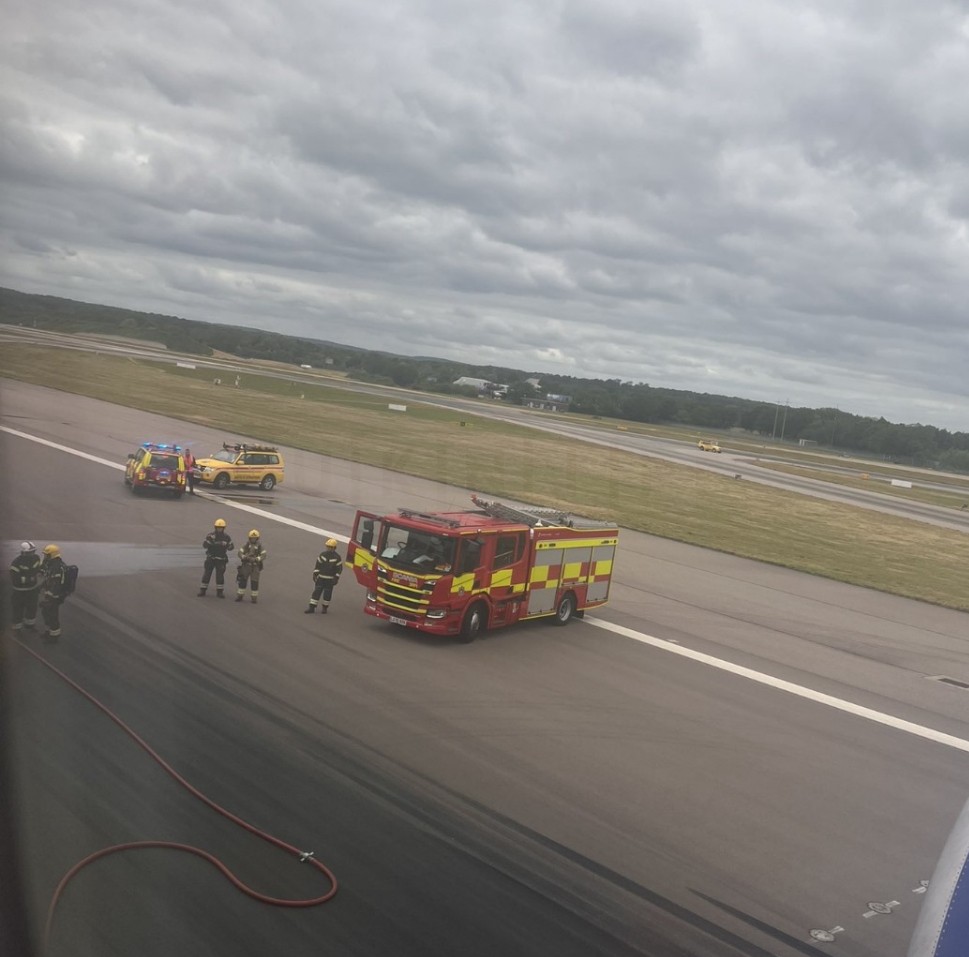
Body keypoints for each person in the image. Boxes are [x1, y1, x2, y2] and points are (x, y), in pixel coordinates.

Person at [9, 541, 43, 631]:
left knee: (32, 607)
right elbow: (15, 579)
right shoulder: (16, 563)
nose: (32, 554)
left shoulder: (36, 558)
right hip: (19, 591)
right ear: (24, 552)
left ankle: (30, 625)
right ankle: (17, 627)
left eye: (33, 551)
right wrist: (30, 579)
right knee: (18, 609)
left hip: (32, 589)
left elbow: (39, 569)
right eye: (29, 552)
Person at [304, 538, 343, 614]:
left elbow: (339, 569)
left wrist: (336, 577)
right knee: (316, 592)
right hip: (321, 578)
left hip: (330, 579)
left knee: (327, 594)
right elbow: (318, 565)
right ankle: (312, 607)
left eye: (330, 547)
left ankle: (324, 608)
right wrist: (315, 574)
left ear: (334, 548)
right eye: (328, 546)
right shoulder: (322, 555)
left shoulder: (337, 557)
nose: (329, 548)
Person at [39, 544, 69, 641]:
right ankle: (48, 632)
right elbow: (49, 579)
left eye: (47, 555)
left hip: (54, 597)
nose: (45, 557)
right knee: (46, 612)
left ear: (52, 555)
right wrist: (41, 587)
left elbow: (56, 584)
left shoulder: (56, 567)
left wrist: (50, 598)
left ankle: (54, 636)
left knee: (52, 615)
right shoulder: (52, 564)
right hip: (50, 595)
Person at [198, 519, 234, 597]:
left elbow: (231, 547)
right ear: (215, 527)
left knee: (220, 576)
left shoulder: (226, 537)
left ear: (223, 528)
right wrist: (212, 541)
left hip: (221, 559)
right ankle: (203, 590)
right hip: (211, 558)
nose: (219, 529)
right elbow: (204, 545)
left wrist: (227, 545)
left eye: (221, 528)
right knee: (207, 574)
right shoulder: (210, 535)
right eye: (218, 527)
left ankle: (220, 592)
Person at [235, 529, 266, 603]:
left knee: (254, 582)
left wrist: (256, 559)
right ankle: (240, 596)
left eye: (255, 538)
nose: (253, 539)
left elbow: (264, 555)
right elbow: (240, 552)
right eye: (252, 538)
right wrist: (244, 557)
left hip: (255, 567)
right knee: (243, 581)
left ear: (257, 538)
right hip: (246, 566)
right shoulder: (246, 545)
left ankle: (254, 598)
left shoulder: (260, 546)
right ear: (249, 538)